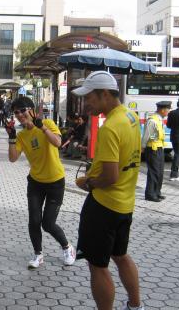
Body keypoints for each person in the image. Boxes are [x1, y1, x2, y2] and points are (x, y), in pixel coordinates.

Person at [72, 71, 144, 310]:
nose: (86, 103)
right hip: (125, 205)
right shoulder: (131, 117)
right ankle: (135, 305)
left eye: (89, 97)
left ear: (104, 94)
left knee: (98, 265)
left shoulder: (110, 126)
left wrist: (88, 183)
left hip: (103, 207)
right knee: (121, 256)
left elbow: (110, 176)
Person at [5, 97, 76, 269]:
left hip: (55, 182)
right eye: (16, 112)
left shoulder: (48, 123)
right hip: (36, 182)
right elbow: (13, 159)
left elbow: (58, 143)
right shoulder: (22, 135)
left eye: (23, 110)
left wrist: (41, 126)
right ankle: (38, 255)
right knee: (34, 220)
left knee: (48, 223)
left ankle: (67, 247)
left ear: (32, 110)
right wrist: (12, 138)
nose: (20, 115)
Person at [142, 101, 171, 202]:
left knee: (160, 172)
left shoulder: (159, 119)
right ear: (162, 110)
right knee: (154, 172)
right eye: (167, 110)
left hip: (159, 148)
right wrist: (142, 147)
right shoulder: (152, 120)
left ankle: (157, 192)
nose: (168, 112)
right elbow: (146, 135)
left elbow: (155, 134)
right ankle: (150, 194)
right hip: (152, 149)